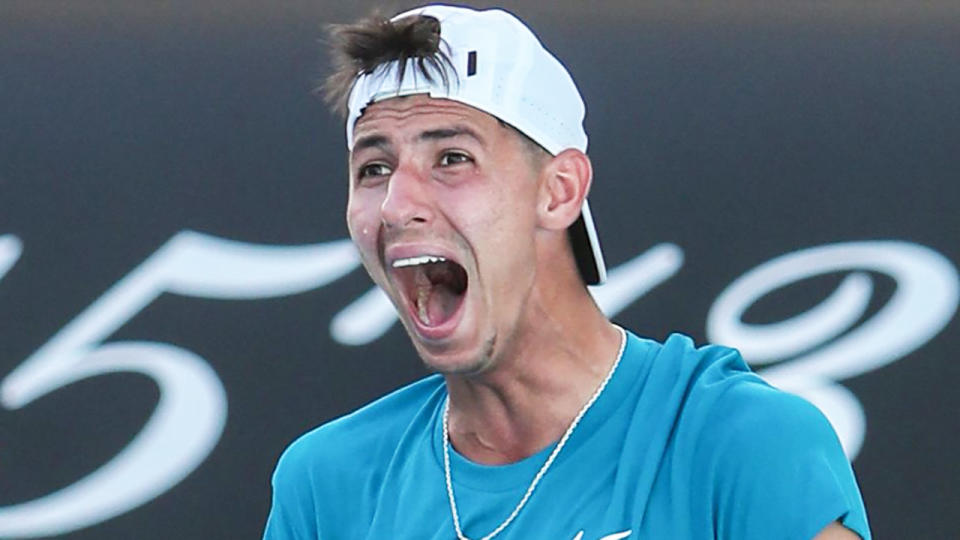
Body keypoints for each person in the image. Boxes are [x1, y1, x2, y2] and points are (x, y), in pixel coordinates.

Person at [263, 5, 871, 539]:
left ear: (559, 192)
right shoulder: (324, 484)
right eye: (373, 169)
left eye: (451, 158)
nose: (397, 205)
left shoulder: (743, 442)